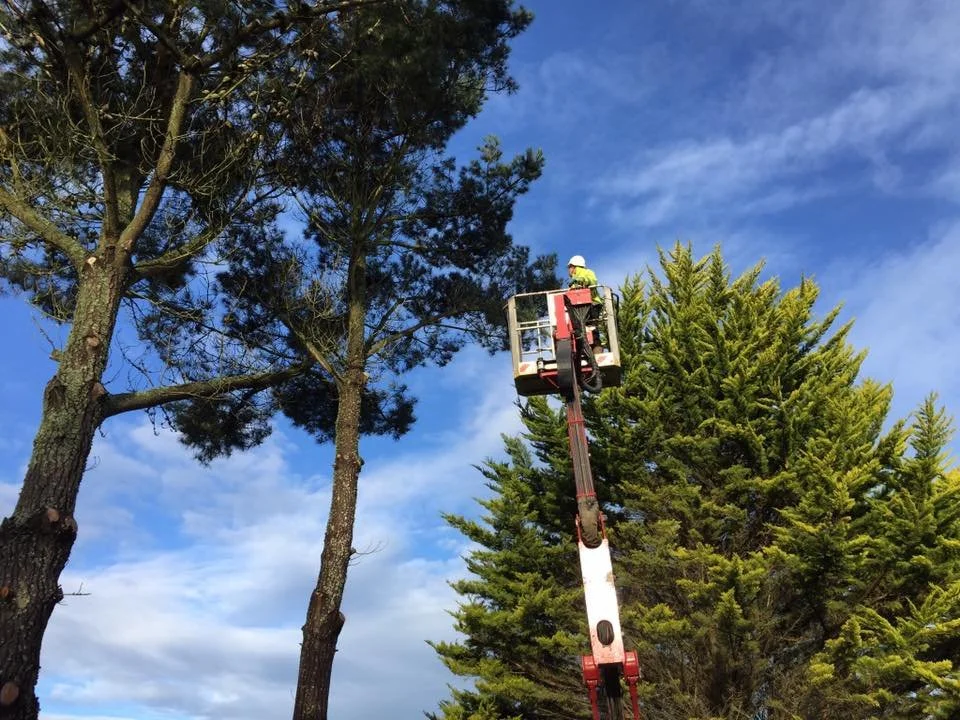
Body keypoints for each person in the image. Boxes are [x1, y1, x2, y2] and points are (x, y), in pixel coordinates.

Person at [566, 255, 604, 350]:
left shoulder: (588, 272)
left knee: (592, 326)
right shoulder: (573, 282)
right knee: (581, 328)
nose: (568, 270)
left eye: (569, 267)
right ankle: (586, 348)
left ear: (574, 266)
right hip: (579, 307)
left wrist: (580, 279)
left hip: (593, 304)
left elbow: (593, 281)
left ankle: (596, 346)